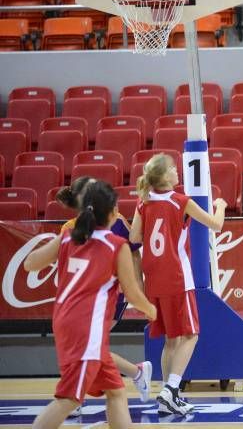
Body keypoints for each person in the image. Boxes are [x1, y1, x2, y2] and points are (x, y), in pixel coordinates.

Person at [23, 181, 157, 429]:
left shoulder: (66, 237)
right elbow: (132, 293)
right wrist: (151, 310)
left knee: (116, 392)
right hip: (86, 329)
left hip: (65, 321)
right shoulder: (116, 245)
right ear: (113, 212)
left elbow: (30, 264)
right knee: (68, 400)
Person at [129, 153, 227, 416]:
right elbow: (216, 225)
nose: (177, 171)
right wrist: (221, 205)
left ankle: (166, 394)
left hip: (154, 281)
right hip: (177, 278)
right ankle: (170, 389)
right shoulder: (180, 201)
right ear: (163, 177)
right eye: (173, 168)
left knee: (171, 339)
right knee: (191, 335)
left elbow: (133, 237)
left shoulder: (143, 202)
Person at [56, 176, 152, 414]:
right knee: (90, 347)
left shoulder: (117, 222)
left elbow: (134, 252)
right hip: (80, 301)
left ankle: (75, 397)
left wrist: (138, 286)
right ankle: (136, 372)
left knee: (87, 346)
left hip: (109, 295)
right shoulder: (69, 230)